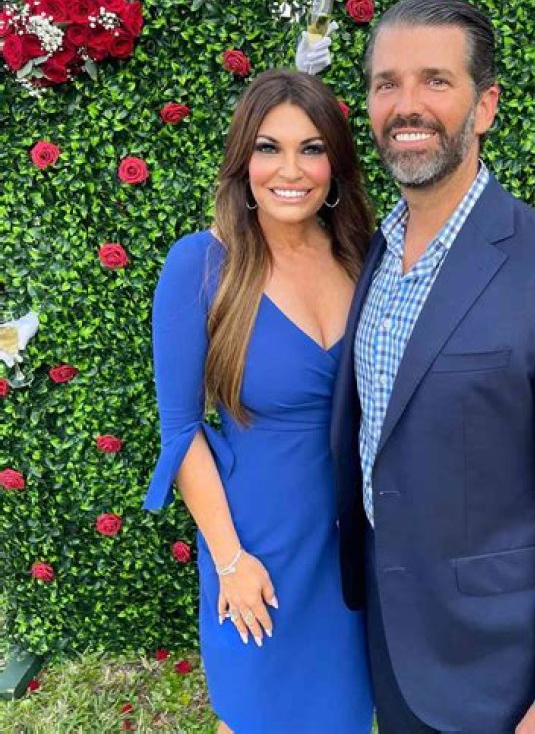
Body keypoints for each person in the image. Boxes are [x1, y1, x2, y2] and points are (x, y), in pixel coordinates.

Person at [325, 0, 535, 734]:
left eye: (436, 80)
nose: (406, 105)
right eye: (386, 83)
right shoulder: (374, 253)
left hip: (497, 668)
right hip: (390, 634)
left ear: (486, 104)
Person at [142, 70, 375, 734]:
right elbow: (181, 430)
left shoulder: (362, 255)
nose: (290, 170)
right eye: (269, 147)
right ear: (243, 160)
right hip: (256, 544)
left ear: (335, 163)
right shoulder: (202, 265)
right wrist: (230, 560)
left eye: (311, 148)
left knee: (343, 714)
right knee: (256, 713)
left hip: (353, 544)